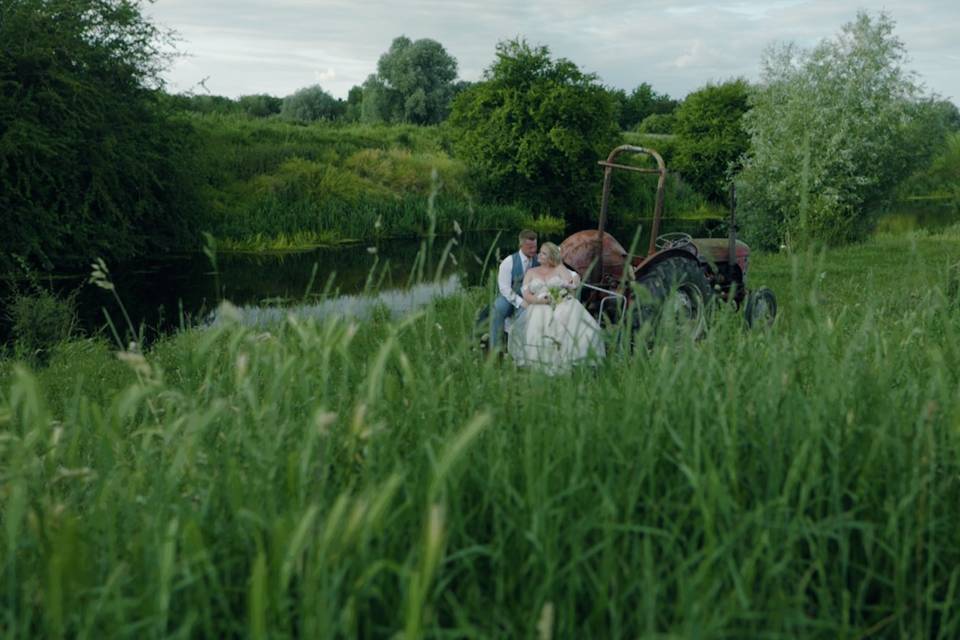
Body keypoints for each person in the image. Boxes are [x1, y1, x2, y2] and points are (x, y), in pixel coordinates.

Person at [508, 242, 605, 375]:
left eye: (543, 253)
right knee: (539, 320)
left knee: (568, 318)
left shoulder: (559, 269)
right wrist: (538, 300)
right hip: (540, 305)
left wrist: (569, 276)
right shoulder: (531, 272)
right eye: (540, 252)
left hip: (560, 303)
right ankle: (541, 361)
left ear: (551, 257)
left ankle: (571, 359)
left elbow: (571, 285)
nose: (539, 255)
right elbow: (526, 295)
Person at [490, 229, 539, 349]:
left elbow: (556, 265)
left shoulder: (539, 260)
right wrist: (520, 301)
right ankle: (495, 348)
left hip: (531, 296)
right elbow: (504, 288)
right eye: (529, 247)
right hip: (510, 296)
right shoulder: (508, 262)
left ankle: (522, 349)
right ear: (521, 245)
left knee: (527, 316)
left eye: (535, 247)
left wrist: (574, 275)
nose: (533, 250)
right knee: (497, 309)